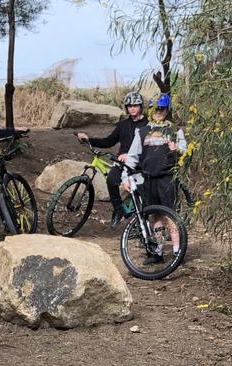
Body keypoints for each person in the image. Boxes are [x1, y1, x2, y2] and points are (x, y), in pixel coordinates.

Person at [121, 93, 187, 265]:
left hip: (167, 178)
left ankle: (177, 252)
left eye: (162, 109)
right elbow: (132, 157)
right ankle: (157, 252)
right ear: (151, 110)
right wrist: (125, 177)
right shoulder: (142, 131)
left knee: (170, 215)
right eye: (156, 109)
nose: (159, 112)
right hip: (149, 179)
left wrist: (177, 149)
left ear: (167, 110)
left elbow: (185, 150)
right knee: (156, 216)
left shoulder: (174, 130)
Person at [76, 91, 148, 227]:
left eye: (136, 105)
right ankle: (118, 210)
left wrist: (130, 155)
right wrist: (88, 139)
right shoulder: (123, 125)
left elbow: (149, 145)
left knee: (139, 190)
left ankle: (141, 222)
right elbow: (109, 141)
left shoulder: (147, 124)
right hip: (121, 162)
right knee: (111, 180)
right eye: (130, 106)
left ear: (141, 106)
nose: (132, 108)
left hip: (140, 162)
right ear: (126, 108)